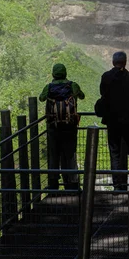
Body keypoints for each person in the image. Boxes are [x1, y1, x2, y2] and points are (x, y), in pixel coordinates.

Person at [99, 51, 129, 192]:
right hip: (128, 121)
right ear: (125, 62)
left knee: (115, 153)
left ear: (113, 62)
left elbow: (102, 93)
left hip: (112, 121)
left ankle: (118, 186)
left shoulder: (106, 77)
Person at [39, 63, 85, 191]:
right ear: (65, 73)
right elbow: (82, 96)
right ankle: (72, 184)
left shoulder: (48, 88)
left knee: (54, 155)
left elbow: (41, 98)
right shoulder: (72, 85)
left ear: (53, 74)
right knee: (70, 154)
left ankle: (53, 184)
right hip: (70, 127)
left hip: (53, 127)